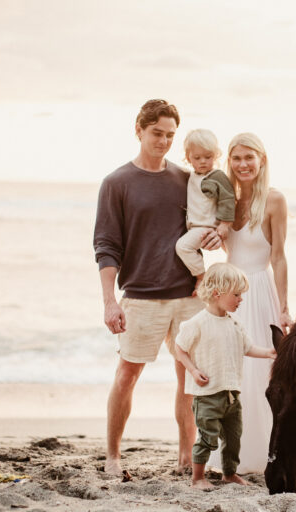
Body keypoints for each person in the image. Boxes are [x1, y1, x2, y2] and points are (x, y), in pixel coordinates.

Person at [93, 99, 218, 476]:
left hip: (188, 297)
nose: (163, 141)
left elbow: (203, 222)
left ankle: (185, 456)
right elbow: (106, 246)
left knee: (189, 379)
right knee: (127, 375)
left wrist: (213, 239)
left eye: (169, 135)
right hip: (141, 298)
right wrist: (109, 301)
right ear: (139, 130)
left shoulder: (186, 179)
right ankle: (113, 456)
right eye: (156, 133)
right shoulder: (117, 183)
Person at [204, 132, 294, 474]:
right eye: (236, 158)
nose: (242, 165)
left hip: (258, 291)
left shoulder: (274, 200)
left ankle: (261, 455)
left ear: (262, 160)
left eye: (248, 158)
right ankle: (224, 454)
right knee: (227, 370)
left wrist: (284, 307)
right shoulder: (225, 201)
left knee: (260, 374)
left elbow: (280, 257)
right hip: (227, 293)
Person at [174, 262, 277, 489]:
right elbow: (179, 348)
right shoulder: (197, 323)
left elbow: (247, 348)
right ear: (217, 293)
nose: (241, 300)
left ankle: (229, 473)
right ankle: (198, 478)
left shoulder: (235, 323)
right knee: (207, 438)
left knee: (233, 438)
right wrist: (192, 369)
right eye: (237, 295)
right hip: (208, 395)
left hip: (232, 395)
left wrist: (269, 353)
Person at [175, 129, 235, 291]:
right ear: (188, 158)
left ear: (216, 155)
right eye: (197, 157)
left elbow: (227, 199)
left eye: (208, 157)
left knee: (183, 247)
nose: (202, 161)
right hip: (195, 226)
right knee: (231, 256)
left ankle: (202, 277)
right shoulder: (193, 175)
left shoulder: (216, 176)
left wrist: (224, 224)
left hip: (205, 227)